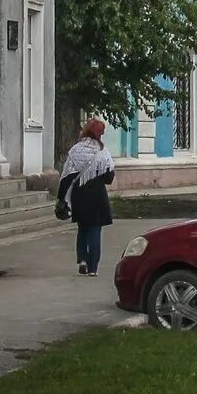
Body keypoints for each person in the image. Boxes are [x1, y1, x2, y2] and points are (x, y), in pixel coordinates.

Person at [58, 118, 116, 276]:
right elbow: (109, 178)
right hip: (97, 195)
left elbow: (67, 177)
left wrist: (61, 198)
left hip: (80, 194)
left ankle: (82, 259)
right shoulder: (102, 151)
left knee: (83, 228)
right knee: (95, 231)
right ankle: (93, 268)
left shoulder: (75, 150)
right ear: (98, 133)